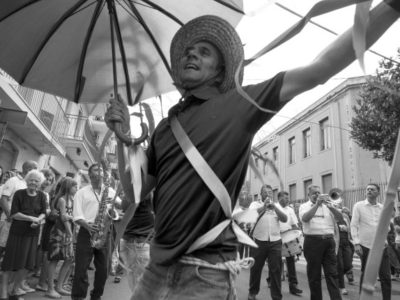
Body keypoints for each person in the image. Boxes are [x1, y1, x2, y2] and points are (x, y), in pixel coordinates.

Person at [105, 2, 400, 298]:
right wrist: (121, 138)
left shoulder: (242, 103)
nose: (191, 54)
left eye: (204, 51)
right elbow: (135, 192)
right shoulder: (165, 128)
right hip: (154, 273)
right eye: (187, 52)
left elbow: (319, 70)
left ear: (220, 70)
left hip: (205, 275)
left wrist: (390, 8)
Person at [71, 163, 120, 300]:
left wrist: (115, 204)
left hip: (105, 233)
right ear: (90, 174)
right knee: (81, 269)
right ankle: (78, 297)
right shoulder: (81, 193)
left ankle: (96, 296)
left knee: (104, 270)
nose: (100, 172)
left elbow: (121, 207)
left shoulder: (109, 191)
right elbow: (77, 215)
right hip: (86, 233)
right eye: (96, 170)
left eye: (101, 170)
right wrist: (88, 226)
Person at [0, 170, 46, 299]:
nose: (33, 182)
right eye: (31, 179)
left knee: (26, 264)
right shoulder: (19, 194)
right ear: (26, 180)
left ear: (40, 183)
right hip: (17, 233)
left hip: (32, 233)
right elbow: (14, 213)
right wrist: (33, 219)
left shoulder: (42, 195)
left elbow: (43, 212)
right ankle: (3, 292)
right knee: (9, 262)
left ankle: (14, 290)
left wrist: (39, 220)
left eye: (36, 181)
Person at [299, 185, 343, 300]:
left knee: (332, 274)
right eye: (314, 193)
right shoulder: (304, 206)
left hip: (329, 241)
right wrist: (317, 205)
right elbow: (305, 218)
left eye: (319, 192)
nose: (317, 195)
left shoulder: (328, 205)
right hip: (313, 242)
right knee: (314, 276)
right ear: (308, 195)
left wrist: (331, 207)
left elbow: (340, 218)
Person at [351, 183, 391, 300]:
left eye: (372, 189)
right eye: (367, 189)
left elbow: (387, 226)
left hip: (381, 247)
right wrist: (356, 243)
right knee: (366, 277)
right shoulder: (358, 206)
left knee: (386, 277)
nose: (369, 191)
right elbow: (354, 225)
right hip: (365, 246)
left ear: (378, 193)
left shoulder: (382, 207)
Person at [247, 185, 287, 300]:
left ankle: (276, 296)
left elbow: (284, 219)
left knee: (276, 270)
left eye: (270, 192)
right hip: (259, 241)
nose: (268, 194)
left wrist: (275, 208)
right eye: (265, 192)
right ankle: (253, 292)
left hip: (275, 241)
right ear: (261, 194)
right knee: (256, 268)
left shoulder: (277, 205)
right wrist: (264, 207)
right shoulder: (255, 204)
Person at [46, 177, 77, 298]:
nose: (76, 189)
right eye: (75, 186)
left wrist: (71, 220)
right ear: (68, 187)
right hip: (59, 232)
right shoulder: (62, 200)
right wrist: (70, 233)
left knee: (69, 259)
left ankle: (59, 286)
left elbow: (69, 217)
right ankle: (50, 288)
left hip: (68, 232)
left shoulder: (73, 200)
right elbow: (64, 219)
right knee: (54, 259)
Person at [119, 192, 154, 292]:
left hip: (135, 242)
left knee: (135, 279)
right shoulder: (141, 190)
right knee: (142, 283)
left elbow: (124, 205)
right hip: (138, 242)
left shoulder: (134, 190)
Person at [276, 191, 303, 296]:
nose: (288, 199)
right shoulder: (274, 207)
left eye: (288, 197)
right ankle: (274, 283)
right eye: (285, 198)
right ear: (279, 198)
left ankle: (293, 286)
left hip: (288, 238)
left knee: (291, 262)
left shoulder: (290, 210)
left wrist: (297, 234)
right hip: (276, 238)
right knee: (276, 263)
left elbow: (294, 224)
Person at [335, 203, 354, 295]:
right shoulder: (331, 216)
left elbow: (349, 228)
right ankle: (341, 287)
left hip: (346, 243)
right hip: (337, 244)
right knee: (340, 266)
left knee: (348, 265)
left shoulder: (345, 216)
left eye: (338, 205)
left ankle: (336, 277)